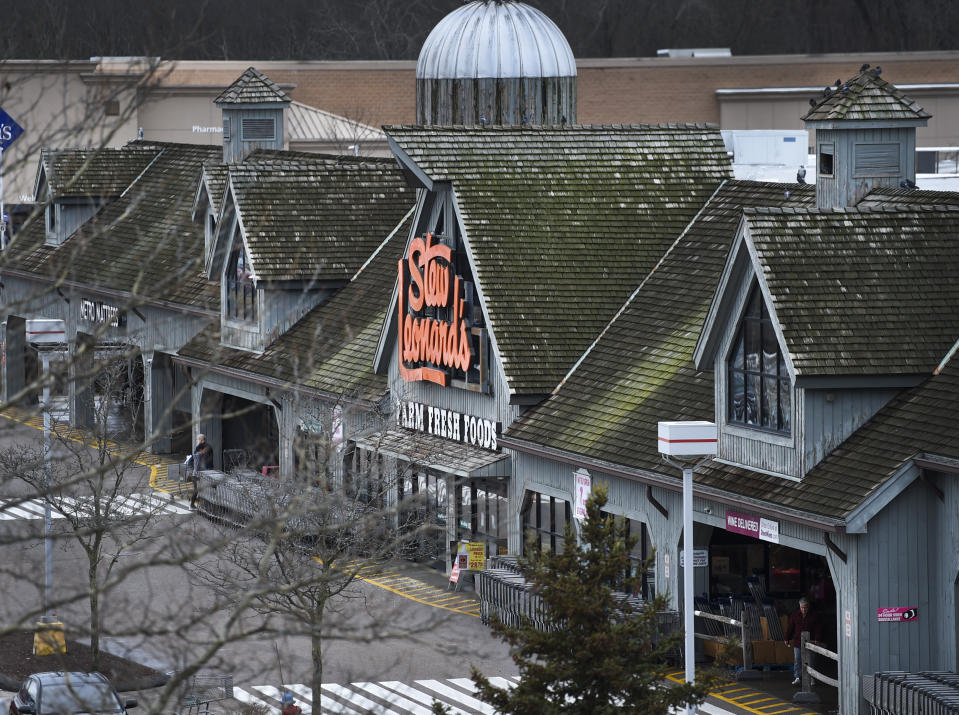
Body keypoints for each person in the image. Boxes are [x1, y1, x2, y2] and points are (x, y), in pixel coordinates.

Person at [784, 596, 822, 687]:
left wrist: (817, 639)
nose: (803, 609)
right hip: (798, 641)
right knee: (797, 659)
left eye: (805, 607)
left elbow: (818, 629)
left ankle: (811, 677)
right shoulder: (794, 615)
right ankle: (797, 677)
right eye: (802, 607)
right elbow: (790, 628)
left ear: (808, 607)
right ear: (799, 607)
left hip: (811, 642)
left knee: (811, 660)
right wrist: (786, 638)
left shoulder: (814, 616)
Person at [190, 433, 214, 510]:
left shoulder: (201, 449)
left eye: (198, 439)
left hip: (200, 472)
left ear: (201, 440)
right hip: (204, 471)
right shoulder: (207, 447)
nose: (197, 441)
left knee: (196, 489)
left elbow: (194, 458)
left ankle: (192, 505)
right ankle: (195, 504)